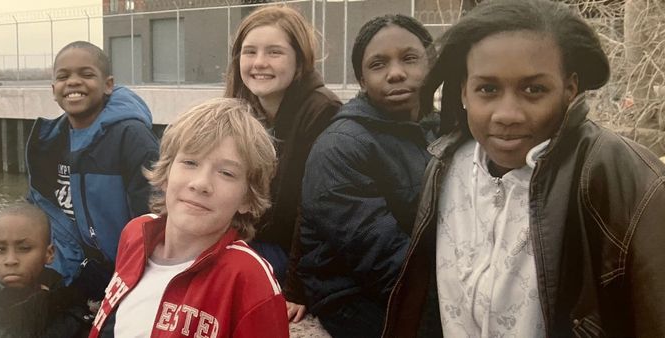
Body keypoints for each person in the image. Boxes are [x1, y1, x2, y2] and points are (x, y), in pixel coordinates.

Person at [382, 0, 665, 337]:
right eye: (488, 89)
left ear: (570, 88)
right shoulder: (447, 166)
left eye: (534, 90)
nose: (507, 114)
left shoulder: (620, 175)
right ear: (463, 91)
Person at [89, 98, 288, 338]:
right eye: (190, 162)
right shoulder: (136, 233)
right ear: (166, 172)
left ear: (247, 198)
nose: (201, 183)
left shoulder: (247, 277)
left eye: (226, 173)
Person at [297, 14, 438, 338]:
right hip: (350, 294)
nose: (396, 73)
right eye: (378, 65)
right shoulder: (341, 145)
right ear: (361, 80)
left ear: (430, 64)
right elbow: (380, 255)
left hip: (416, 276)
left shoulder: (438, 128)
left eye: (409, 58)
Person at [224, 4, 341, 322]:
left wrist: (296, 287)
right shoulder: (241, 108)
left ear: (299, 60)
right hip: (254, 239)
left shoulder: (322, 112)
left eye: (274, 52)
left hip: (293, 255)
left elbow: (316, 211)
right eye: (250, 52)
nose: (259, 63)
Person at [26, 41, 159, 300]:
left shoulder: (131, 137)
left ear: (108, 84)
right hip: (74, 266)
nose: (73, 82)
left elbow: (153, 219)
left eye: (86, 74)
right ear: (53, 90)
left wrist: (130, 288)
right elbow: (44, 208)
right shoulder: (51, 141)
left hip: (125, 274)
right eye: (64, 76)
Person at [0, 203, 91, 338]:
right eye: (0, 249)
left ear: (49, 254)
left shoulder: (74, 320)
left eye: (24, 249)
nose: (10, 260)